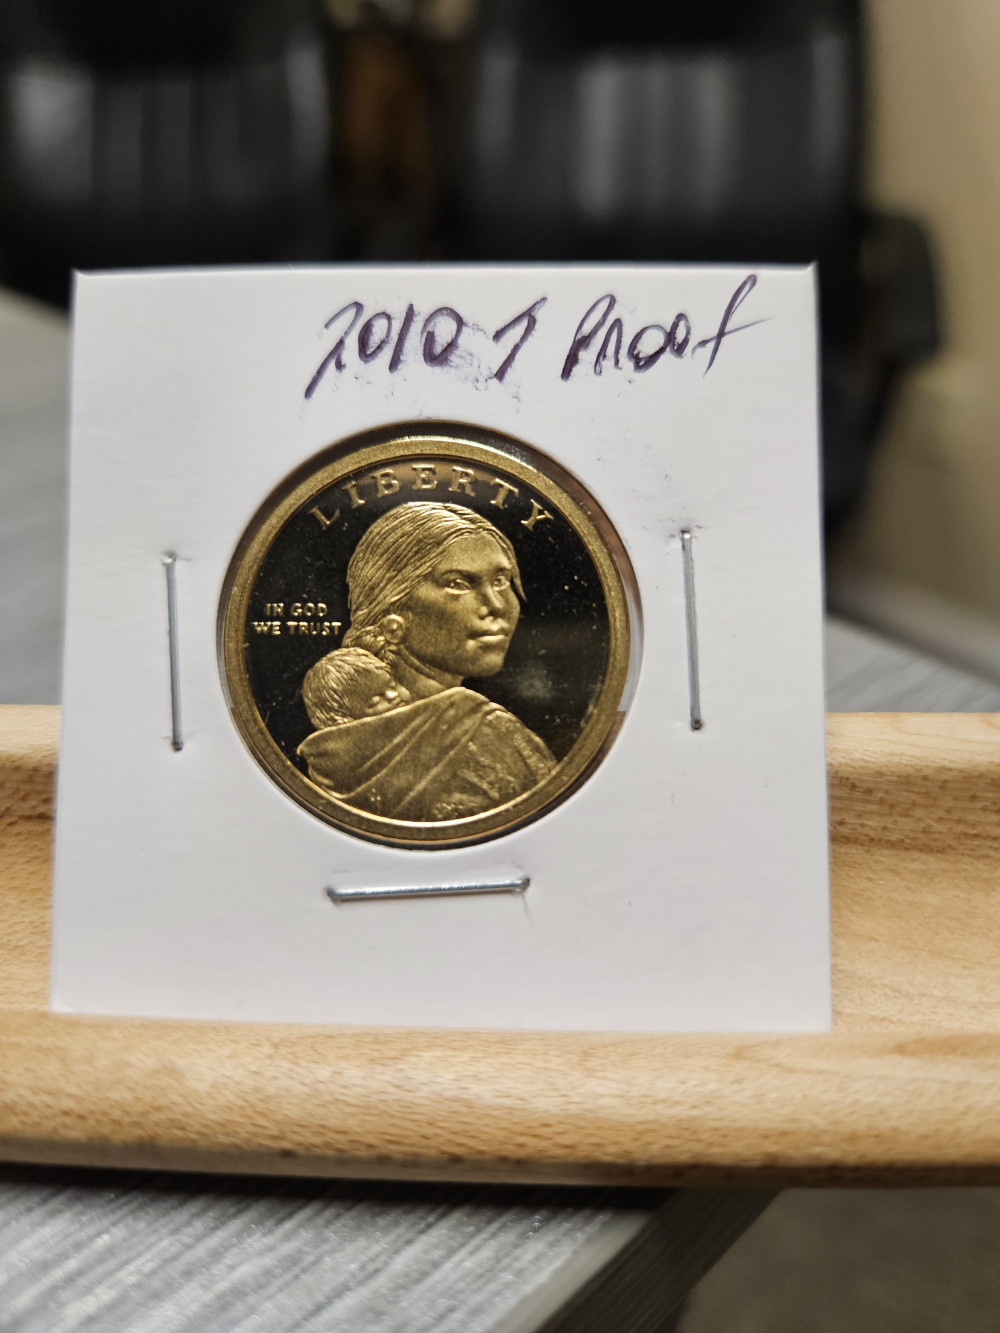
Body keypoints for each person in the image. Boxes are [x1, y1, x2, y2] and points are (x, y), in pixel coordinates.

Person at [297, 501, 555, 821]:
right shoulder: (491, 737)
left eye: (501, 580)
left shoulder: (330, 750)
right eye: (458, 584)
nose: (496, 605)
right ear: (393, 612)